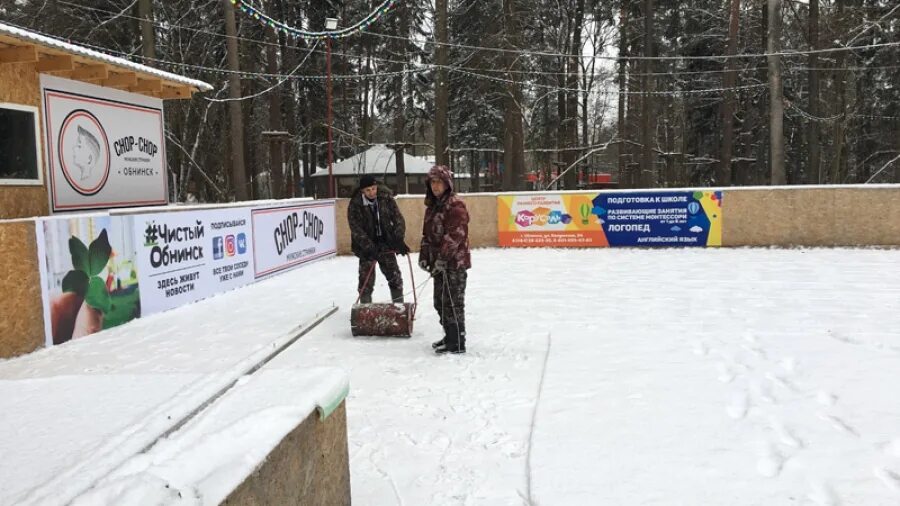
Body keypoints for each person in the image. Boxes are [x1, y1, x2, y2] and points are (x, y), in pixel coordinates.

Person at [419, 165, 471, 355]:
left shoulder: (455, 205)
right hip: (438, 264)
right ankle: (449, 335)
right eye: (432, 182)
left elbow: (456, 235)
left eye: (439, 182)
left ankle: (457, 341)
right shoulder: (432, 207)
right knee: (439, 302)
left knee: (453, 303)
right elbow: (427, 234)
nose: (435, 186)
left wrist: (442, 258)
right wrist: (424, 256)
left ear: (447, 183)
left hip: (454, 263)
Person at [348, 174, 409, 304]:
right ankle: (365, 309)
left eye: (374, 189)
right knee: (366, 281)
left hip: (385, 243)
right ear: (362, 191)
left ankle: (398, 307)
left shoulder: (386, 198)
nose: (372, 193)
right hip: (366, 247)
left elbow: (398, 218)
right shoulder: (355, 204)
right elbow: (356, 228)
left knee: (395, 277)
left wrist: (398, 239)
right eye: (368, 190)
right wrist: (369, 247)